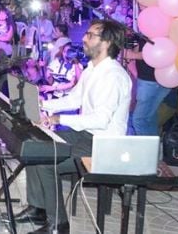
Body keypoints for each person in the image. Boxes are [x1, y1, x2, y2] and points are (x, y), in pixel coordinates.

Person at [13, 19, 131, 234]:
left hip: (103, 144)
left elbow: (100, 120)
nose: (84, 39)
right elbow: (73, 100)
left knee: (48, 162)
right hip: (85, 136)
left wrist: (57, 119)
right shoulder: (92, 69)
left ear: (106, 43)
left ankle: (59, 225)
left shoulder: (113, 76)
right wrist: (41, 104)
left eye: (90, 35)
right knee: (35, 147)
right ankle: (38, 207)